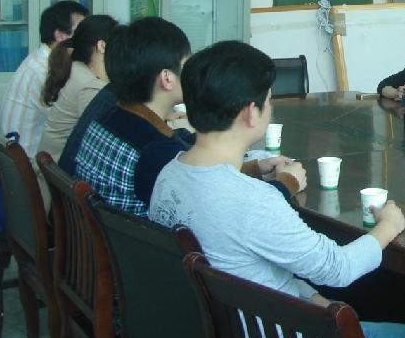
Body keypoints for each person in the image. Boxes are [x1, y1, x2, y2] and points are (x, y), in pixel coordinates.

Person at [149, 40, 405, 338]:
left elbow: (252, 269)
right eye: (268, 100)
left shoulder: (169, 174)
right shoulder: (252, 200)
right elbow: (337, 268)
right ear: (250, 113)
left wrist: (310, 297)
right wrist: (388, 226)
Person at [73, 17, 304, 217]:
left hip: (111, 244)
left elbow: (206, 182)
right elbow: (224, 212)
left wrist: (252, 169)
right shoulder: (157, 154)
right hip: (155, 252)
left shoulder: (109, 116)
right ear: (167, 78)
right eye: (187, 64)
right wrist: (286, 184)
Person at [0, 0, 88, 156]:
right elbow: (71, 123)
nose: (86, 38)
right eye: (81, 32)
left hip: (16, 158)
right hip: (29, 164)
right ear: (60, 35)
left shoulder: (40, 59)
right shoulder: (44, 72)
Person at [39, 14, 119, 160]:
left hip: (52, 167)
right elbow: (110, 138)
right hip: (60, 170)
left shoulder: (77, 68)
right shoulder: (90, 87)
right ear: (102, 46)